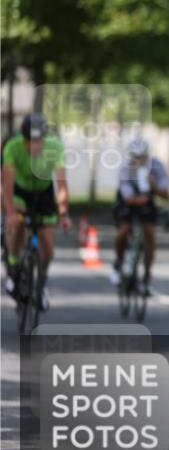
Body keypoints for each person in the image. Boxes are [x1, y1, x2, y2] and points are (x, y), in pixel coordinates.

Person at [2, 114, 72, 309]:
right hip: (20, 192)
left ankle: (41, 284)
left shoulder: (55, 147)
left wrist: (64, 214)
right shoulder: (13, 147)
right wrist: (10, 214)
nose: (34, 146)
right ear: (23, 138)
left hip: (43, 193)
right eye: (30, 141)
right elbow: (7, 185)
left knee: (48, 247)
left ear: (44, 138)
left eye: (38, 140)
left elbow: (62, 185)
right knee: (17, 225)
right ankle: (13, 267)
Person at [111, 137, 169, 294]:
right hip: (128, 201)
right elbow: (128, 197)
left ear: (147, 155)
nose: (138, 160)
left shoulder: (157, 166)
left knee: (150, 233)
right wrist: (139, 199)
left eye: (141, 156)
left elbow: (166, 193)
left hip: (148, 199)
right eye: (135, 157)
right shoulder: (126, 168)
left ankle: (147, 276)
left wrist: (153, 185)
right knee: (124, 230)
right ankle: (118, 263)